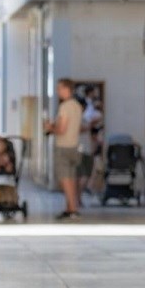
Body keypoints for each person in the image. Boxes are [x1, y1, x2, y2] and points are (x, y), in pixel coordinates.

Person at [46, 78, 84, 219]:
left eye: (59, 88)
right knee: (72, 178)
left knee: (64, 178)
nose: (57, 91)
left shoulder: (65, 107)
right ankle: (70, 207)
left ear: (67, 89)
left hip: (63, 146)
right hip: (74, 145)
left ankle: (72, 209)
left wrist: (50, 127)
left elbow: (61, 129)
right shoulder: (77, 106)